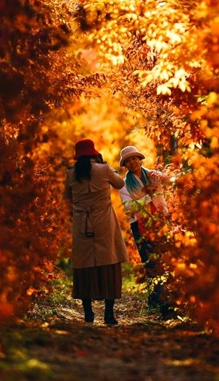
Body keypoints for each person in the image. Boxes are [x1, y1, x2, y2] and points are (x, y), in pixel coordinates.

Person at [65, 139, 129, 325]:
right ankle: (109, 314)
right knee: (108, 262)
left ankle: (88, 314)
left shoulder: (71, 174)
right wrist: (104, 165)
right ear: (94, 153)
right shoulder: (103, 169)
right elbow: (119, 184)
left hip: (81, 223)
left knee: (84, 265)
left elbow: (67, 198)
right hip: (104, 223)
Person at [118, 145, 172, 316]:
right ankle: (155, 301)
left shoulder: (153, 175)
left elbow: (172, 181)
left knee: (165, 261)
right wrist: (148, 197)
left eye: (135, 158)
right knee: (150, 263)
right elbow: (129, 208)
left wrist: (163, 177)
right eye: (128, 160)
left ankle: (168, 300)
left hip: (161, 221)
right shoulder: (124, 185)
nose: (132, 162)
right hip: (140, 226)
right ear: (125, 165)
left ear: (140, 159)